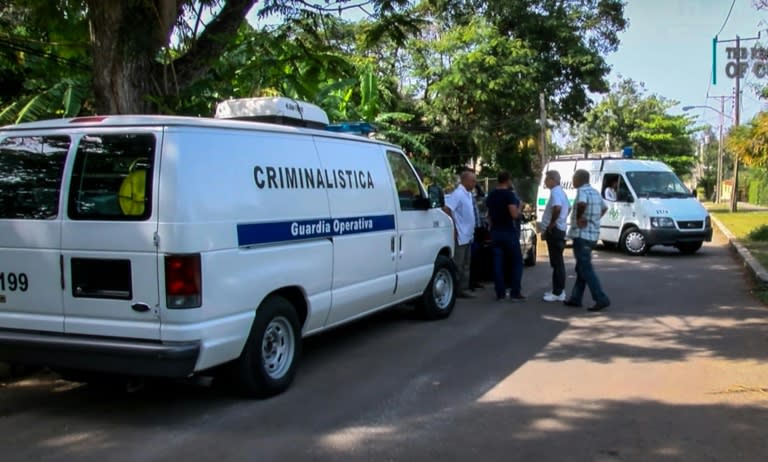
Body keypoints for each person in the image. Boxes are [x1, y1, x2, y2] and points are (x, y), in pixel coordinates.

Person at [564, 169, 611, 312]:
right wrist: (594, 219)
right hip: (592, 236)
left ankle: (601, 298)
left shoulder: (582, 191)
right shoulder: (595, 192)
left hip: (582, 236)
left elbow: (582, 204)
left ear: (579, 179)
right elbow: (604, 208)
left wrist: (579, 218)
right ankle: (576, 298)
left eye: (574, 178)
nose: (572, 181)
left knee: (586, 269)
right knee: (581, 268)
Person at [485, 171, 525, 302]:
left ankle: (500, 292)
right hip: (508, 231)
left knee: (497, 263)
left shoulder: (491, 195)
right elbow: (514, 214)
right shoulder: (509, 195)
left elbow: (489, 215)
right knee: (516, 262)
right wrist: (520, 208)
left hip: (495, 232)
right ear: (508, 180)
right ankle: (515, 292)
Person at [443, 170, 477, 298]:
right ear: (465, 180)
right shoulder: (458, 194)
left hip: (468, 235)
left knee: (466, 263)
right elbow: (447, 209)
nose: (474, 183)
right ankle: (456, 289)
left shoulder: (468, 194)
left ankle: (463, 288)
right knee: (458, 263)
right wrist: (454, 228)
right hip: (461, 235)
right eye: (472, 180)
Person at [539, 170, 570, 302]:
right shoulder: (561, 192)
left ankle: (558, 292)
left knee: (557, 262)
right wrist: (562, 220)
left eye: (546, 179)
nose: (545, 182)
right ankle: (557, 289)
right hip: (559, 229)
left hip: (555, 231)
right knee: (557, 262)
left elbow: (557, 208)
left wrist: (552, 224)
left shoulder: (556, 192)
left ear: (553, 179)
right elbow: (568, 207)